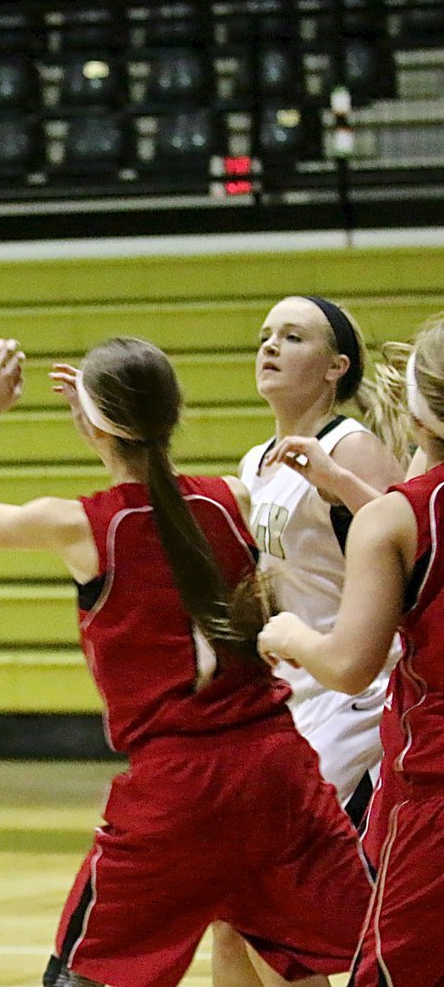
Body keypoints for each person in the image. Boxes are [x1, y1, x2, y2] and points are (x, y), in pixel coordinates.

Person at [0, 336, 372, 987]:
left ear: (92, 424)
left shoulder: (87, 525)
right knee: (329, 955)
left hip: (180, 789)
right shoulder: (234, 498)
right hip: (276, 768)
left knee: (82, 972)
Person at [212, 295, 408, 987]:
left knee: (273, 903)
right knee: (231, 905)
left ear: (334, 367)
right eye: (264, 334)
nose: (268, 346)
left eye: (290, 337)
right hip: (290, 691)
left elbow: (406, 554)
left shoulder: (349, 447)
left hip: (351, 694)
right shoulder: (255, 460)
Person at [258, 315, 444, 987]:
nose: (269, 346)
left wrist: (285, 637)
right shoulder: (271, 460)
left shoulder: (392, 501)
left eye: (292, 335)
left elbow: (347, 662)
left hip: (403, 748)